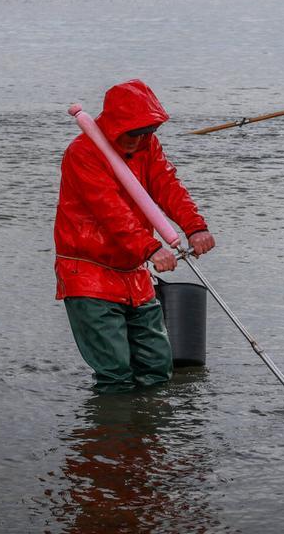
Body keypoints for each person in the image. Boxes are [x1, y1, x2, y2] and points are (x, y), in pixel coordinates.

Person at [54, 79, 216, 394]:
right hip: (88, 272)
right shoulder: (82, 154)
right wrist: (151, 248)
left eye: (148, 131)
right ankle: (111, 437)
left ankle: (147, 436)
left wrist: (195, 227)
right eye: (134, 132)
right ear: (114, 126)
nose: (140, 139)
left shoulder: (146, 145)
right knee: (115, 372)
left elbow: (166, 185)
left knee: (157, 365)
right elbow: (109, 209)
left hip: (133, 271)